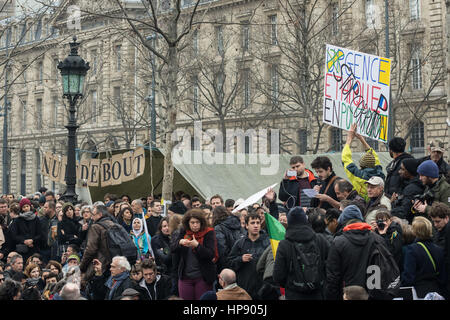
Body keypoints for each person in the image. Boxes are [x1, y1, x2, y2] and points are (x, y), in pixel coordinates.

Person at [273, 207, 329, 300]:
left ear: (289, 222)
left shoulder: (284, 245)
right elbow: (331, 267)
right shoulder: (320, 240)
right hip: (318, 293)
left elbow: (278, 276)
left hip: (293, 294)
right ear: (306, 221)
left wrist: (291, 284)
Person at [325, 205, 375, 300]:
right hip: (370, 293)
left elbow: (333, 278)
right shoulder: (376, 240)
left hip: (347, 294)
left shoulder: (338, 242)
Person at [171, 209, 218, 300]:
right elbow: (173, 249)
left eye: (197, 222)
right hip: (185, 277)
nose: (195, 225)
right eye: (192, 222)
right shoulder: (183, 232)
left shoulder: (209, 232)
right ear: (188, 223)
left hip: (202, 276)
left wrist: (197, 246)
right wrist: (180, 242)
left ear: (201, 222)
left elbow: (210, 254)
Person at [401, 216, 446, 298]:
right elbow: (443, 277)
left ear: (415, 232)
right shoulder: (439, 250)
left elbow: (408, 277)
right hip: (437, 292)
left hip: (419, 292)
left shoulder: (411, 250)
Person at [229, 212, 270, 300]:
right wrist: (241, 259)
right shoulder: (240, 243)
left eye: (258, 223)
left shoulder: (268, 242)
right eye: (252, 223)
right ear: (246, 226)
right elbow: (230, 262)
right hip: (245, 288)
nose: (256, 225)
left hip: (264, 288)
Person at [341, 123, 385, 201]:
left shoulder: (357, 174)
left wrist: (349, 139)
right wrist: (362, 139)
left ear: (361, 166)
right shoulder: (380, 174)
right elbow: (374, 157)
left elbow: (346, 159)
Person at [79, 205, 115, 288]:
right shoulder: (113, 224)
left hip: (101, 265)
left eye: (93, 215)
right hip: (113, 263)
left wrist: (82, 267)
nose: (92, 218)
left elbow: (90, 250)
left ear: (100, 214)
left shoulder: (96, 227)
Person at [390, 159, 425, 223]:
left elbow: (404, 211)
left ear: (409, 171)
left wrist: (391, 204)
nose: (399, 171)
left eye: (403, 169)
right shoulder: (408, 184)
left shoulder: (411, 189)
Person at [8, 198, 43, 262]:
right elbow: (14, 235)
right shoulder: (18, 220)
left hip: (34, 248)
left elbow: (40, 234)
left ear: (30, 206)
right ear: (21, 208)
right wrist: (24, 241)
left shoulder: (36, 219)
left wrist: (32, 240)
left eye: (27, 206)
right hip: (22, 250)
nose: (26, 208)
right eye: (24, 207)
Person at [213, 206, 244, 272]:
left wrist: (225, 267)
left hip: (227, 265)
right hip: (241, 261)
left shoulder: (218, 228)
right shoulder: (238, 224)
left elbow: (222, 249)